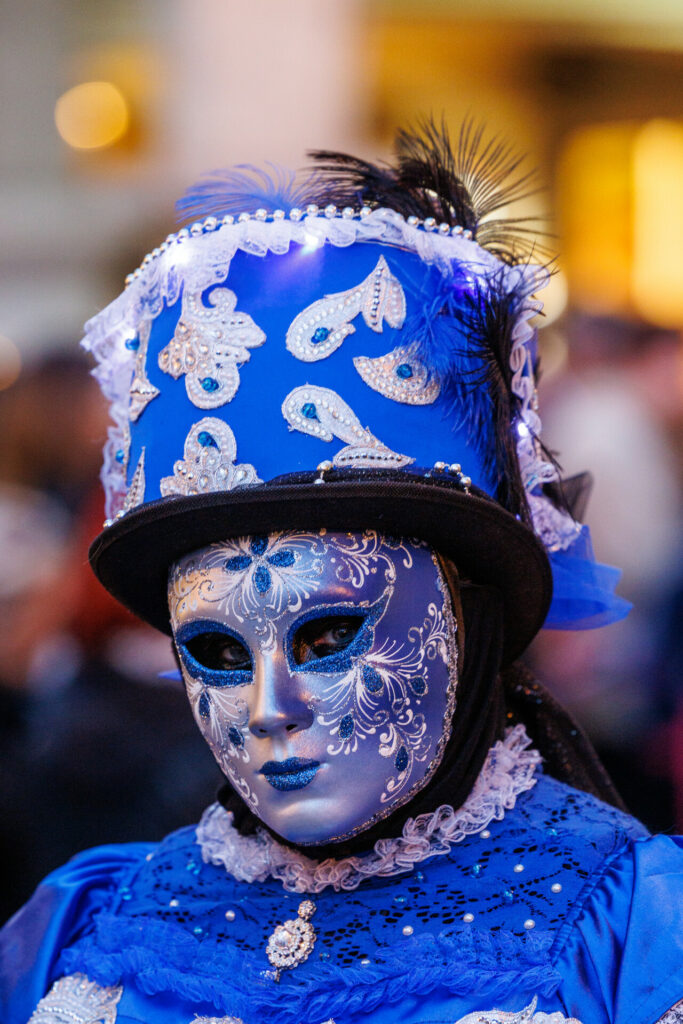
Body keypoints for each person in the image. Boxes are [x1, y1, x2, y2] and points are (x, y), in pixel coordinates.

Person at [1, 121, 681, 1024]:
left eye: (328, 634)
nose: (266, 708)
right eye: (215, 650)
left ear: (464, 616)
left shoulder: (636, 931)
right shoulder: (88, 926)